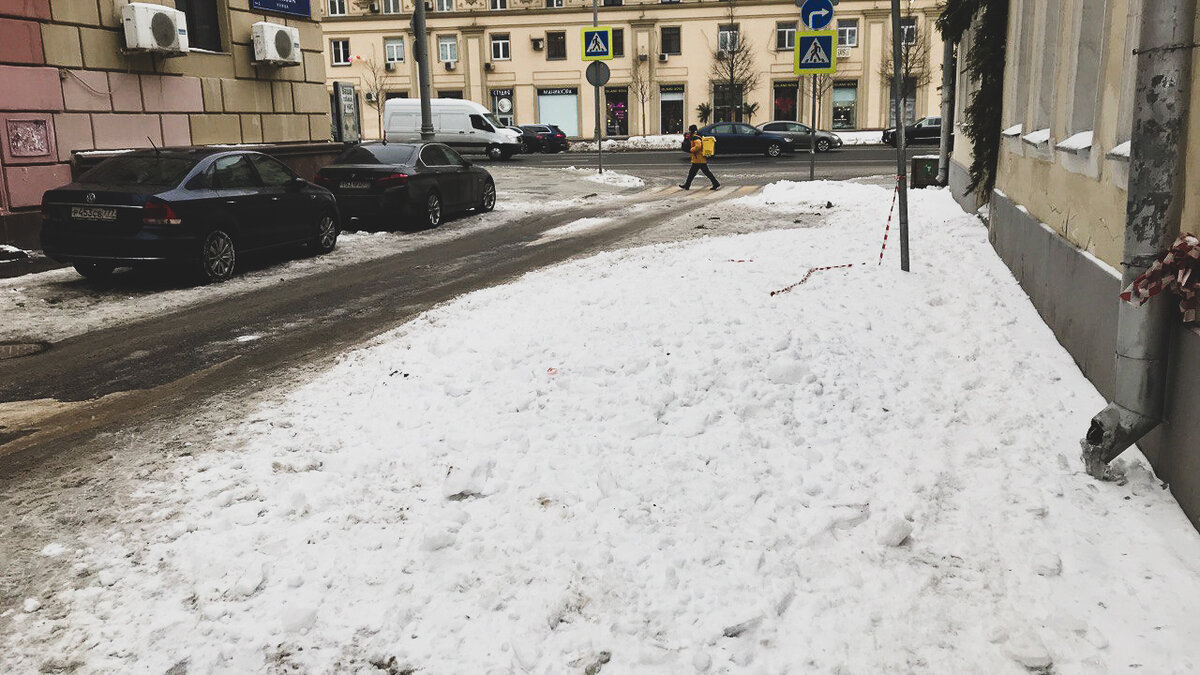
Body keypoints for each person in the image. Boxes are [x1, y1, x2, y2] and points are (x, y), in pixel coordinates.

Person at [680, 125, 719, 191]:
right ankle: (687, 185)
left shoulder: (695, 137)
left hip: (699, 158)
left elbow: (698, 146)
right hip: (697, 158)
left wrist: (692, 149)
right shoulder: (695, 136)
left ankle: (715, 183)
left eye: (690, 130)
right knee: (692, 173)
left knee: (705, 172)